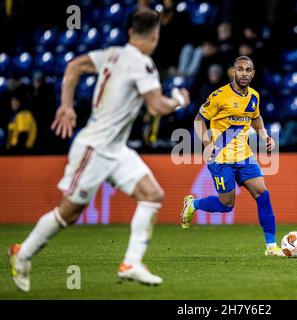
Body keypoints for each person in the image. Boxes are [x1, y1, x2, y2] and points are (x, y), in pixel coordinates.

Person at [8, 8, 190, 292]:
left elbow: (74, 66)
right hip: (95, 148)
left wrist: (66, 105)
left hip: (116, 148)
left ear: (130, 32)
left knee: (152, 195)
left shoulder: (112, 54)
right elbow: (156, 107)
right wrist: (178, 100)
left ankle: (131, 262)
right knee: (68, 214)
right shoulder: (143, 64)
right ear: (156, 35)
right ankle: (23, 254)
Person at [179, 56, 284, 257]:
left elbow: (256, 116)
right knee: (227, 205)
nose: (244, 73)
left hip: (244, 156)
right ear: (233, 72)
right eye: (240, 69)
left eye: (248, 70)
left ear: (253, 73)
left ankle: (271, 246)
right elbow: (198, 120)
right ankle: (193, 204)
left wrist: (263, 135)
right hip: (220, 158)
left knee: (263, 194)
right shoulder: (219, 96)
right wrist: (207, 144)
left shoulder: (254, 96)